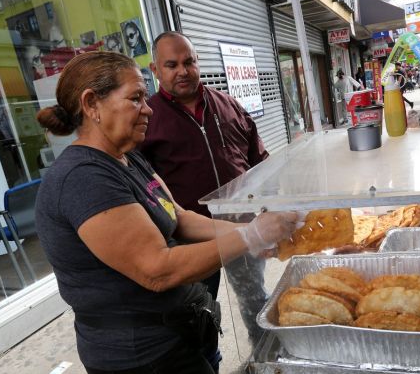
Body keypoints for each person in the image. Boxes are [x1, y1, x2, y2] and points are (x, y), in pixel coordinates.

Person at [34, 51, 302, 374]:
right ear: (92, 104)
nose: (147, 108)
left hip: (182, 334)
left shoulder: (128, 158)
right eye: (135, 98)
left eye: (144, 97)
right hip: (143, 357)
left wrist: (256, 232)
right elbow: (157, 270)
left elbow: (179, 218)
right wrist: (251, 236)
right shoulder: (83, 178)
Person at [139, 32, 271, 368]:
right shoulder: (147, 119)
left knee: (255, 299)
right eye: (171, 65)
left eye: (189, 62)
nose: (182, 71)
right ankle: (209, 363)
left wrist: (270, 207)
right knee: (198, 308)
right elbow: (142, 187)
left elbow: (260, 161)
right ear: (156, 69)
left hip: (242, 228)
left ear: (198, 64)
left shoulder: (228, 104)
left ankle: (267, 358)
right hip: (190, 238)